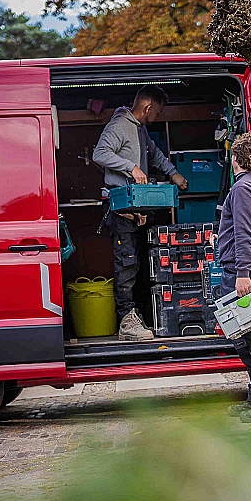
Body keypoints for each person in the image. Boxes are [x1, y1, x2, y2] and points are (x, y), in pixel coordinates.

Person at [92, 86, 187, 340]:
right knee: (127, 263)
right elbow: (99, 153)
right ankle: (126, 322)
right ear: (147, 108)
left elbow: (155, 155)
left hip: (136, 209)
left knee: (140, 266)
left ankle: (136, 314)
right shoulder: (120, 126)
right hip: (119, 208)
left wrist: (173, 173)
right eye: (158, 111)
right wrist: (130, 167)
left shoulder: (140, 129)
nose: (158, 115)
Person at [216, 132, 251, 421]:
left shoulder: (242, 189)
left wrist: (241, 274)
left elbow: (246, 234)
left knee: (250, 339)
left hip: (242, 275)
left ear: (237, 158)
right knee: (246, 338)